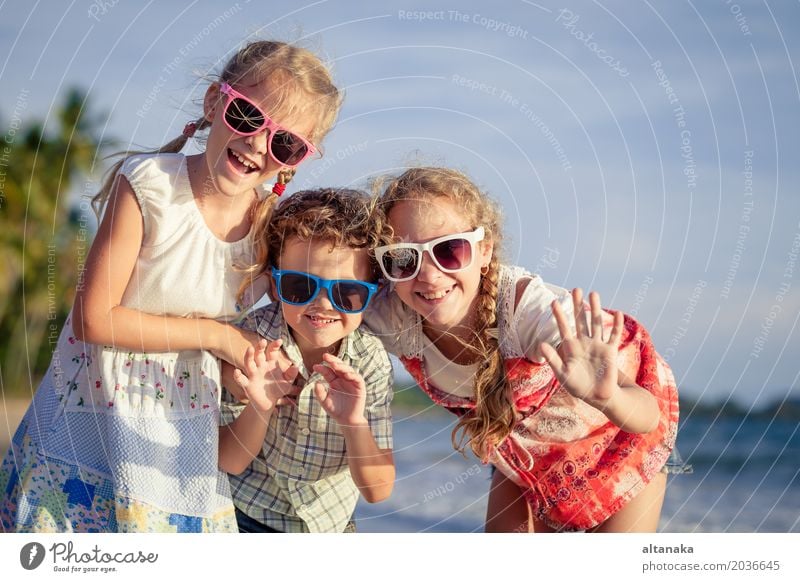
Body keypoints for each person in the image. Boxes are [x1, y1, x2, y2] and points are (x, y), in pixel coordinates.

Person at [0, 40, 341, 532]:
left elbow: (306, 307)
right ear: (213, 103)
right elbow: (95, 319)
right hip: (89, 425)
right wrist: (220, 337)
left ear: (298, 158)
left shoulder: (269, 232)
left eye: (285, 142)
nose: (258, 144)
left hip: (178, 449)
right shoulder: (151, 184)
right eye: (247, 116)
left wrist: (254, 369)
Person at [366, 167, 680, 532]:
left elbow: (646, 416)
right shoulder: (396, 315)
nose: (429, 275)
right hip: (532, 455)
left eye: (449, 251)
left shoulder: (527, 313)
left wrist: (607, 397)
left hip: (617, 438)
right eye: (404, 258)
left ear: (484, 251)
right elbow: (319, 312)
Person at [218, 188, 395, 533]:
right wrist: (260, 405)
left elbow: (378, 490)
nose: (324, 305)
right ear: (274, 284)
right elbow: (230, 461)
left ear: (371, 294)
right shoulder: (252, 337)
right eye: (300, 286)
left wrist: (354, 422)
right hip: (247, 515)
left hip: (331, 525)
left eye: (347, 292)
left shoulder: (370, 360)